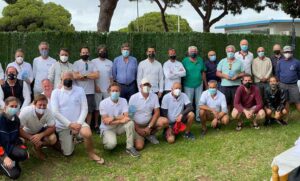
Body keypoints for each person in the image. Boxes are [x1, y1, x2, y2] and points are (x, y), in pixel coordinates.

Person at [51, 72, 104, 164]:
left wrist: (79, 124)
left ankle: (91, 154)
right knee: (67, 153)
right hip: (64, 125)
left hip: (78, 122)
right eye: (65, 79)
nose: (68, 80)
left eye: (70, 79)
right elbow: (55, 112)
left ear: (73, 80)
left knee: (87, 134)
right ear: (61, 80)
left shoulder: (80, 90)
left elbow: (84, 108)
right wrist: (70, 125)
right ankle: (67, 140)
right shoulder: (55, 92)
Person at [99, 82, 140, 157]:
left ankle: (130, 147)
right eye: (113, 91)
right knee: (111, 145)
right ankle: (106, 140)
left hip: (119, 127)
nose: (115, 92)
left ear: (120, 92)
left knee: (130, 122)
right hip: (108, 128)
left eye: (117, 91)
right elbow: (105, 121)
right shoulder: (103, 103)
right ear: (109, 92)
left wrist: (113, 118)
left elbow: (126, 116)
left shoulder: (123, 100)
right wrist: (120, 120)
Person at [129, 78, 169, 150]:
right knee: (139, 147)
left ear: (150, 86)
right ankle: (142, 135)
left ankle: (149, 134)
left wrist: (149, 127)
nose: (146, 87)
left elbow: (157, 112)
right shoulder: (134, 98)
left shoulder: (154, 96)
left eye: (148, 85)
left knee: (165, 121)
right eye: (144, 85)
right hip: (137, 125)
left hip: (149, 123)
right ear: (140, 86)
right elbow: (130, 116)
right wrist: (138, 129)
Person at [19, 94, 57, 160]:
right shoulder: (26, 111)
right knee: (20, 140)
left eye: (44, 105)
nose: (42, 107)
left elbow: (53, 127)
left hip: (39, 131)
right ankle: (26, 150)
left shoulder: (48, 112)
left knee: (53, 139)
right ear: (34, 104)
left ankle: (38, 147)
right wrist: (32, 138)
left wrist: (40, 135)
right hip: (26, 132)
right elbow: (19, 129)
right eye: (40, 105)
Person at [0, 97, 28, 179]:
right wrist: (4, 157)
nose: (14, 108)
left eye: (16, 107)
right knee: (15, 174)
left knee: (24, 154)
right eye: (11, 106)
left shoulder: (16, 120)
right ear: (5, 107)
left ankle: (10, 161)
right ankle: (3, 163)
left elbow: (16, 137)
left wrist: (23, 147)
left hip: (9, 147)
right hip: (1, 151)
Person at [73, 47, 99, 127]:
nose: (85, 54)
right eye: (83, 52)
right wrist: (90, 75)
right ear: (80, 54)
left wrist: (84, 75)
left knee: (89, 110)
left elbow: (96, 75)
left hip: (90, 91)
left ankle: (87, 126)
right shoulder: (76, 63)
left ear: (89, 53)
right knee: (79, 110)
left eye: (87, 52)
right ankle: (80, 126)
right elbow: (75, 76)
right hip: (78, 91)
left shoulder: (92, 64)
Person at [216, 45, 245, 111]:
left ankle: (238, 118)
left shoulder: (239, 62)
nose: (230, 53)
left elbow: (243, 73)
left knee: (237, 102)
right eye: (228, 51)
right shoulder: (222, 61)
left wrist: (237, 76)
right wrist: (225, 76)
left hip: (236, 85)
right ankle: (227, 116)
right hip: (225, 86)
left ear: (234, 52)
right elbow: (217, 73)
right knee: (226, 103)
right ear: (226, 52)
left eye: (232, 51)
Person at [182, 46, 207, 122]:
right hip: (188, 84)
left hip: (199, 84)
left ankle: (198, 117)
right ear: (188, 52)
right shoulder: (184, 61)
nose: (193, 52)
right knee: (188, 102)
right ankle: (189, 118)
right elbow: (181, 73)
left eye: (195, 51)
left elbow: (203, 72)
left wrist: (205, 84)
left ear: (197, 52)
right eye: (192, 51)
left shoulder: (200, 60)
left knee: (199, 101)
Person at [92, 45, 113, 134]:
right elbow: (92, 76)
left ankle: (107, 124)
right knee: (97, 108)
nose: (102, 52)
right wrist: (95, 86)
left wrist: (111, 86)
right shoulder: (93, 62)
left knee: (108, 107)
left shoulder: (110, 62)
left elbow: (111, 76)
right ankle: (96, 125)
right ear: (98, 52)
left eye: (104, 51)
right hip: (98, 89)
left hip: (108, 89)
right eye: (100, 51)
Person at [276, 45, 300, 112]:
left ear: (292, 52)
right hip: (283, 84)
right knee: (286, 101)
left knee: (297, 101)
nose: (287, 53)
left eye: (289, 51)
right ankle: (286, 118)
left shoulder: (297, 62)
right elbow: (277, 73)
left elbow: (299, 73)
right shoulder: (280, 62)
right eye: (286, 52)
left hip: (293, 85)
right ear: (283, 53)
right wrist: (280, 81)